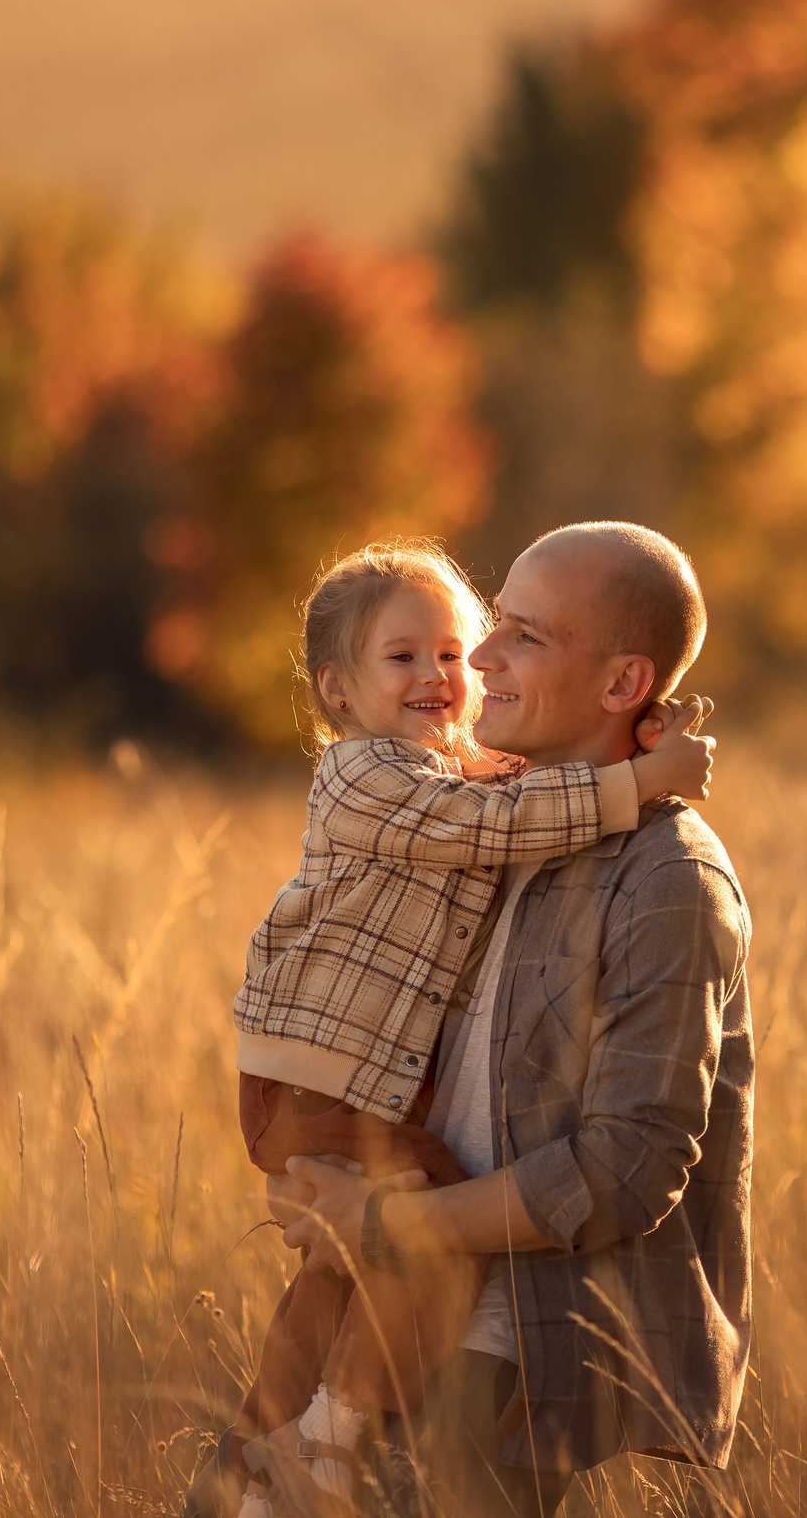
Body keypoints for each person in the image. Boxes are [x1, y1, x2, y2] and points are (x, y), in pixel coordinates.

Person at [197, 540, 716, 1518]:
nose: (472, 662)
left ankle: (303, 1445)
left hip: (501, 1356)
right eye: (415, 654)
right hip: (360, 1183)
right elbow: (501, 813)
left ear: (622, 682)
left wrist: (385, 1220)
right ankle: (268, 1457)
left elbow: (629, 1164)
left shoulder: (660, 877)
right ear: (338, 690)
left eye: (515, 636)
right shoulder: (455, 803)